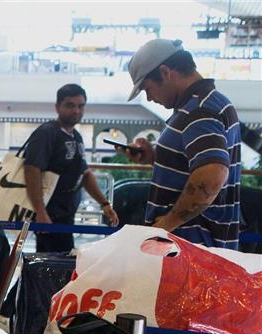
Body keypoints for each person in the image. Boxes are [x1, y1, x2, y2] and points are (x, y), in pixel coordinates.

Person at [123, 39, 242, 249]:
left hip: (193, 251)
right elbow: (195, 167)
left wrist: (166, 225)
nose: (149, 98)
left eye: (147, 88)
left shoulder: (199, 111)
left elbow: (212, 175)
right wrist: (155, 158)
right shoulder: (206, 103)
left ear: (166, 72)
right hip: (198, 250)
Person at [23, 84, 119, 252]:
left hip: (66, 214)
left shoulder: (77, 136)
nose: (76, 111)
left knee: (61, 260)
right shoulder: (47, 133)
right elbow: (32, 169)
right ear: (57, 106)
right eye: (70, 105)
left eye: (81, 106)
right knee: (51, 265)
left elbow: (85, 173)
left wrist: (104, 203)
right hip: (50, 213)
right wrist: (40, 211)